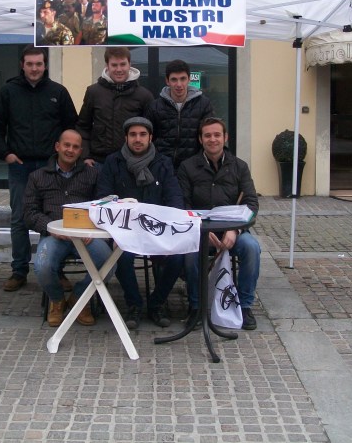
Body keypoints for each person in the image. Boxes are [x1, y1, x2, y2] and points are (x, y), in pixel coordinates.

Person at [0, 46, 78, 292]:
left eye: (39, 64)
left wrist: (65, 156)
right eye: (30, 64)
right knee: (19, 218)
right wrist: (5, 153)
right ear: (22, 65)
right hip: (21, 166)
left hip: (52, 166)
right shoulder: (8, 91)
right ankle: (19, 271)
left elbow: (71, 125)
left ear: (45, 65)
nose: (35, 68)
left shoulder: (58, 92)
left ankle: (55, 269)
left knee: (53, 218)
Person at [96, 117, 185, 330]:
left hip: (156, 230)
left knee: (177, 256)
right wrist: (117, 233)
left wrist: (166, 229)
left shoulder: (162, 163)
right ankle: (134, 304)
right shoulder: (113, 162)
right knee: (120, 256)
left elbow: (174, 200)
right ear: (126, 137)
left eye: (142, 134)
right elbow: (103, 198)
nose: (138, 139)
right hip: (124, 232)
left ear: (150, 137)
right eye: (133, 134)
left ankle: (157, 303)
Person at [177, 117, 261, 330]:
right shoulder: (187, 167)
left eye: (217, 135)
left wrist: (235, 230)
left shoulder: (240, 167)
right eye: (207, 135)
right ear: (200, 139)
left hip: (233, 232)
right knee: (189, 255)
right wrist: (201, 230)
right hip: (199, 231)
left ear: (225, 138)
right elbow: (182, 205)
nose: (212, 139)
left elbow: (251, 203)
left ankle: (243, 305)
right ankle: (196, 307)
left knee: (252, 248)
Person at [26, 129, 112, 327]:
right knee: (42, 266)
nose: (70, 150)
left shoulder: (93, 174)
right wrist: (50, 228)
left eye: (75, 147)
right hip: (54, 235)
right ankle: (56, 300)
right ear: (57, 146)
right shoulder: (37, 177)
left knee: (109, 263)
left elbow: (103, 206)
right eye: (66, 145)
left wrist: (93, 229)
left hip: (86, 236)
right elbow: (29, 213)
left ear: (81, 151)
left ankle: (80, 298)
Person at [75, 47, 153, 165]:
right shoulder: (93, 92)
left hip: (132, 162)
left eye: (123, 64)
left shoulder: (144, 95)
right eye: (114, 65)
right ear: (107, 65)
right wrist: (85, 156)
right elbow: (83, 127)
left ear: (129, 64)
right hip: (99, 162)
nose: (119, 69)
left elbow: (152, 130)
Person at [145, 59, 214, 170]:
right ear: (167, 81)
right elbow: (148, 138)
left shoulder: (203, 104)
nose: (179, 84)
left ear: (189, 79)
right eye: (174, 79)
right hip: (162, 167)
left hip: (194, 168)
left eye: (183, 79)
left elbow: (209, 135)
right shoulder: (155, 106)